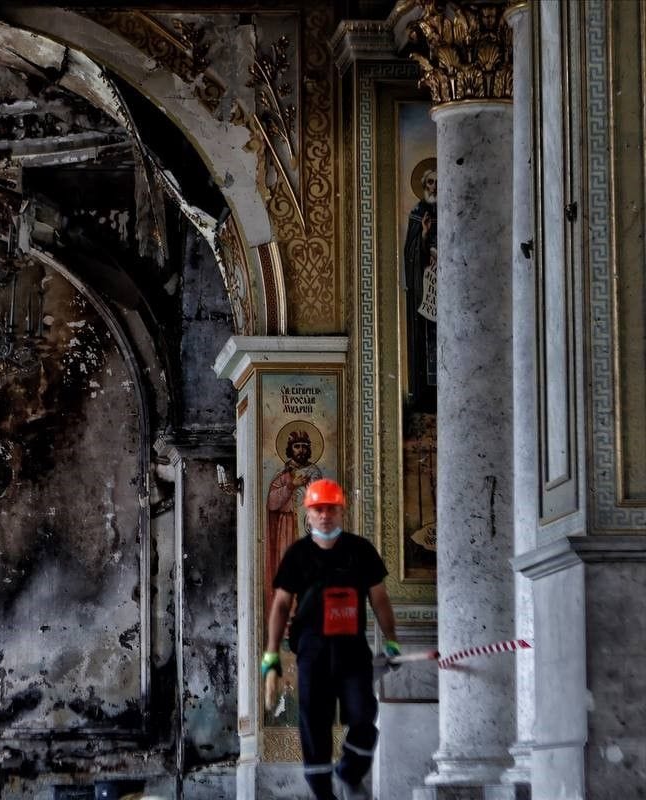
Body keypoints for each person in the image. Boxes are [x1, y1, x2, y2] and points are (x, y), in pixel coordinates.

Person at [261, 478, 399, 800]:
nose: (325, 515)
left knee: (363, 716)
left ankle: (349, 772)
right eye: (318, 509)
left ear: (342, 511)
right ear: (308, 513)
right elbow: (281, 604)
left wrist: (391, 639)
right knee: (314, 724)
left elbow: (379, 598)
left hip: (353, 651)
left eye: (331, 509)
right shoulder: (297, 555)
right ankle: (324, 794)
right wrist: (271, 654)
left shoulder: (361, 551)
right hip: (313, 651)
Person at [266, 429, 322, 609]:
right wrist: (291, 485)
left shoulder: (314, 472)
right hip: (287, 527)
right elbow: (272, 503)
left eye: (304, 446)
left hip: (308, 526)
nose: (301, 450)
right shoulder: (282, 473)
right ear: (290, 448)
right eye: (297, 446)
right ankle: (288, 613)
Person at [403, 166, 437, 413]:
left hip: (446, 288)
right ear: (424, 186)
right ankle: (425, 394)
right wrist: (424, 236)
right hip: (425, 289)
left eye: (438, 183)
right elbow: (410, 252)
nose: (435, 188)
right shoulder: (417, 214)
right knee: (425, 340)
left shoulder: (452, 208)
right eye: (431, 183)